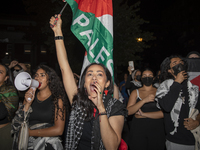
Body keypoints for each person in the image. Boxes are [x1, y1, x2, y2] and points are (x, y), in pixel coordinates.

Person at [50, 14, 127, 150]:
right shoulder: (78, 100)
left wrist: (101, 108)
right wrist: (58, 32)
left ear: (107, 83)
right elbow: (64, 67)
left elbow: (112, 147)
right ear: (84, 82)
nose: (94, 78)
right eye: (89, 74)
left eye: (99, 74)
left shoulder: (115, 106)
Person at [11, 65, 68, 150]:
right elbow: (19, 122)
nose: (38, 78)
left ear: (50, 79)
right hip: (27, 143)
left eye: (42, 75)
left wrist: (30, 133)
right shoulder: (28, 97)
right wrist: (27, 104)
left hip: (46, 144)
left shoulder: (57, 100)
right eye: (36, 75)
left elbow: (59, 130)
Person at [155, 55, 200, 150]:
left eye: (181, 62)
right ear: (170, 70)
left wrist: (197, 122)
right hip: (176, 140)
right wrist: (177, 82)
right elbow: (166, 106)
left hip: (195, 139)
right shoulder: (165, 86)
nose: (179, 64)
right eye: (174, 63)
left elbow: (199, 109)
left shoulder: (194, 88)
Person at [127, 68, 165, 150]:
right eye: (144, 75)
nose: (147, 77)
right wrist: (144, 100)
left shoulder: (159, 91)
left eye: (150, 75)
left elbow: (163, 113)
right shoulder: (135, 92)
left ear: (153, 78)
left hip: (156, 129)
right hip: (139, 130)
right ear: (141, 78)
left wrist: (143, 114)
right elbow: (128, 111)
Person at [0, 63, 19, 150]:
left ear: (6, 77)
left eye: (0, 72)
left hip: (3, 132)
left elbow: (2, 113)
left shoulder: (10, 91)